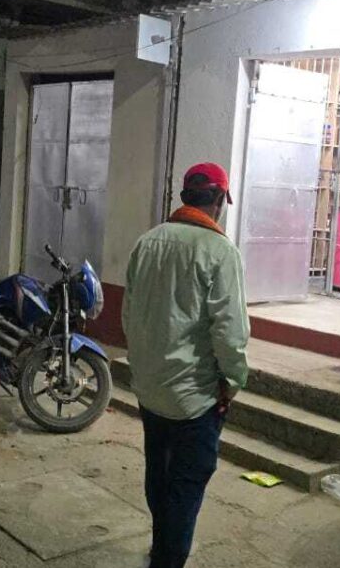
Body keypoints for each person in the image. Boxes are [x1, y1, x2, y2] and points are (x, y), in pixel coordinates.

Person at [122, 162, 250, 568]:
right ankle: (168, 559)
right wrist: (233, 380)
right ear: (219, 200)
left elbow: (129, 314)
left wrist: (143, 366)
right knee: (187, 482)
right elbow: (230, 331)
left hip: (149, 388)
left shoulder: (148, 242)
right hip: (194, 396)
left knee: (158, 474)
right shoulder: (220, 251)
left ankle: (162, 547)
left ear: (185, 196)